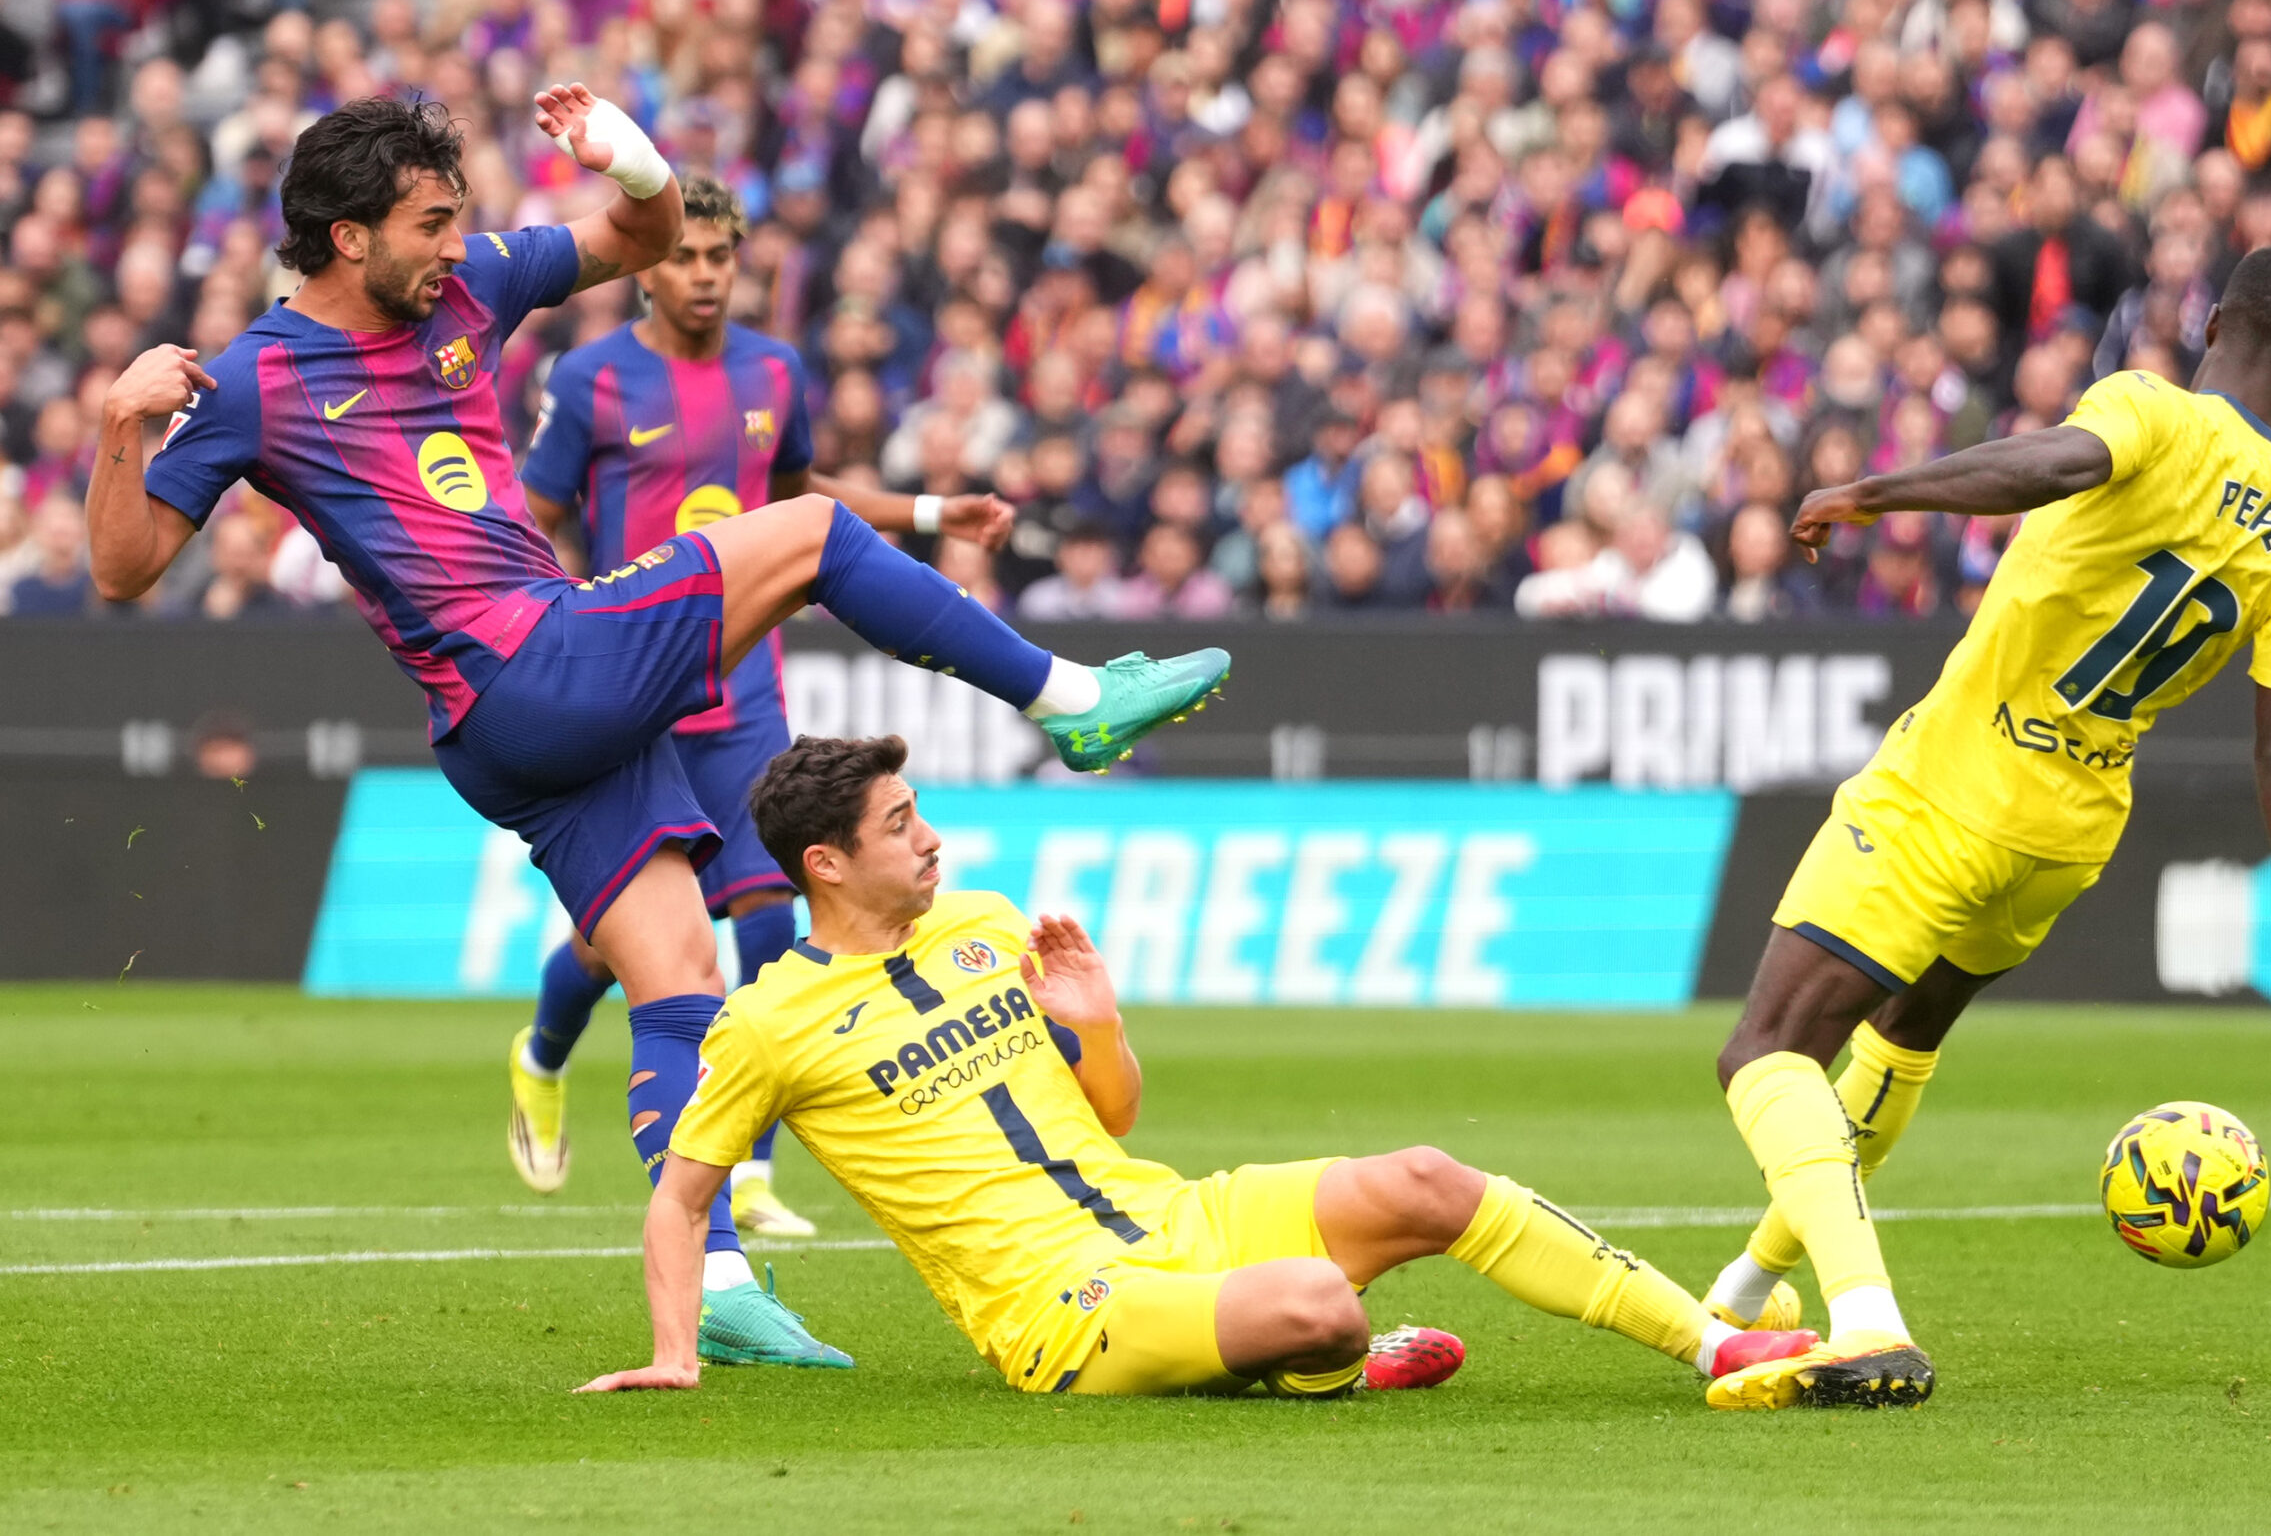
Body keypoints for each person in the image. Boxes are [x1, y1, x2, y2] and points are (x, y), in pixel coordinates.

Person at [85, 91, 1229, 1368]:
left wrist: (628, 156)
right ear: (349, 238)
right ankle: (1072, 703)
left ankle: (721, 1286)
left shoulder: (470, 285)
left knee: (682, 983)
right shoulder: (255, 379)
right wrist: (123, 423)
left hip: (501, 728)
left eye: (459, 219)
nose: (458, 243)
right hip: (530, 664)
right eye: (431, 223)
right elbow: (126, 567)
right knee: (815, 536)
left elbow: (638, 233)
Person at [1693, 247, 2271, 1413]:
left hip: (1953, 784)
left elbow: (2053, 462)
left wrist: (1878, 492)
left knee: (1765, 1052)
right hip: (2068, 831)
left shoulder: (2151, 410)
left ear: (2212, 322)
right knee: (1903, 1033)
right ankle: (1745, 1289)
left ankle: (1867, 1324)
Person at [575, 736, 1818, 1398]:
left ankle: (1710, 1345)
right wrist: (679, 1350)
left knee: (1427, 1179)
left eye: (921, 812)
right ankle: (1327, 1367)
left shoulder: (985, 924)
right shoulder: (769, 1022)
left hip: (1169, 1217)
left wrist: (1100, 1026)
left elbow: (1113, 1116)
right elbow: (681, 1200)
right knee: (1320, 1304)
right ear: (827, 865)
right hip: (1064, 1311)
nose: (932, 837)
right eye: (900, 825)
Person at [504, 175, 1020, 1250]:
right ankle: (543, 1055)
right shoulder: (592, 378)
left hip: (742, 689)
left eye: (719, 256)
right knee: (611, 949)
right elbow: (532, 512)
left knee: (770, 917)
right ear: (645, 267)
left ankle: (749, 1172)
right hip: (633, 691)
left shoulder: (774, 371)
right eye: (683, 256)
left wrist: (931, 511)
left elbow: (805, 503)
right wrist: (551, 629)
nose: (703, 275)